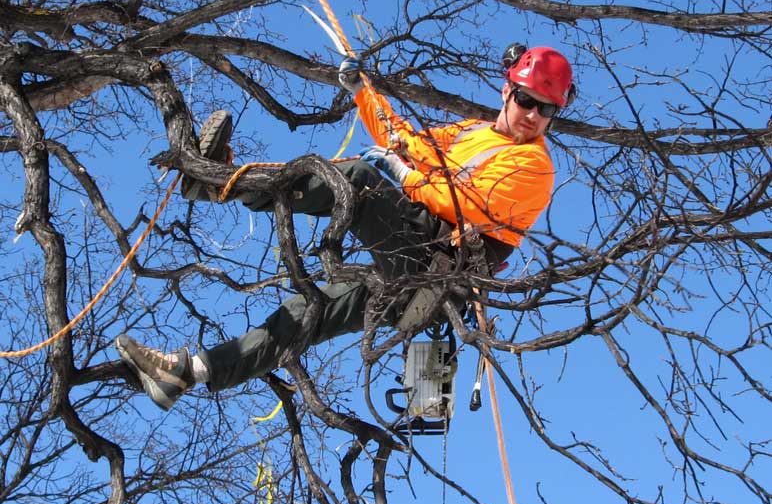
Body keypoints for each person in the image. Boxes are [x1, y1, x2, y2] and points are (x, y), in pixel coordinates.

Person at [116, 44, 575, 409]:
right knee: (308, 310)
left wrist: (401, 175)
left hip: (436, 271)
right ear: (507, 91)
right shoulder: (471, 133)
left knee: (359, 179)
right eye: (527, 101)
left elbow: (467, 206)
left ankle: (221, 183)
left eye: (546, 109)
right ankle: (187, 373)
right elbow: (406, 141)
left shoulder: (534, 166)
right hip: (411, 266)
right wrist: (363, 92)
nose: (533, 115)